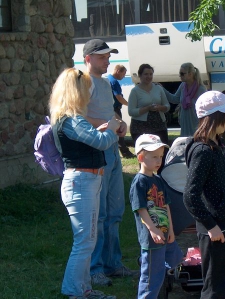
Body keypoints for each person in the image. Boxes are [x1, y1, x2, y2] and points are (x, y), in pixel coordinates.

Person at [49, 68, 120, 299]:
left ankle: (84, 289)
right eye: (86, 88)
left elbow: (89, 139)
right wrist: (112, 129)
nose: (89, 93)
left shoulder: (69, 119)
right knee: (84, 241)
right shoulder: (71, 119)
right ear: (76, 91)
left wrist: (103, 130)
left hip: (86, 181)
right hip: (82, 182)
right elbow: (100, 143)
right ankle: (74, 290)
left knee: (87, 240)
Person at [83, 39, 137, 286]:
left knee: (115, 211)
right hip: (97, 151)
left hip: (112, 151)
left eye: (108, 56)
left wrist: (119, 122)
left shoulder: (105, 83)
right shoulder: (82, 83)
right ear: (88, 59)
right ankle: (95, 269)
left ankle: (113, 264)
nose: (107, 61)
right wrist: (108, 126)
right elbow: (77, 118)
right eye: (103, 57)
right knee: (100, 214)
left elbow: (109, 112)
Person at [183, 90, 225, 298]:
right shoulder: (201, 150)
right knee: (216, 287)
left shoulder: (216, 144)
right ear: (214, 117)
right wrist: (211, 226)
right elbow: (190, 195)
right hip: (215, 229)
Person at [129, 134, 183, 299]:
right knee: (151, 279)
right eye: (154, 157)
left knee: (177, 258)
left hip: (165, 233)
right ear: (140, 157)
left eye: (160, 156)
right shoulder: (140, 182)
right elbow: (141, 209)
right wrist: (152, 229)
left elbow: (166, 206)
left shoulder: (158, 180)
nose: (159, 161)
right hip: (152, 238)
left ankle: (155, 265)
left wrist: (171, 231)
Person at [128, 64, 170, 173]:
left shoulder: (158, 88)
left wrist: (160, 107)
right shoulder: (135, 91)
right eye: (146, 74)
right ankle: (145, 179)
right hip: (140, 127)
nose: (149, 76)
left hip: (159, 125)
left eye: (151, 74)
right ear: (140, 76)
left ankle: (162, 179)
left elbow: (167, 106)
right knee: (144, 156)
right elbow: (131, 111)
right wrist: (147, 108)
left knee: (162, 155)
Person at [162, 62, 207, 137]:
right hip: (184, 122)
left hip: (196, 123)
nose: (180, 76)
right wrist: (162, 89)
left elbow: (205, 110)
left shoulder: (201, 89)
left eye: (182, 74)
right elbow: (174, 99)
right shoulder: (183, 86)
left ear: (190, 74)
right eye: (180, 73)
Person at [107, 64, 135, 159]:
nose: (124, 76)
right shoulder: (114, 81)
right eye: (123, 73)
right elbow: (119, 97)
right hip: (114, 110)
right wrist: (129, 104)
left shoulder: (108, 78)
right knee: (120, 130)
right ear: (118, 71)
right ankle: (125, 152)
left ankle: (120, 151)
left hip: (110, 109)